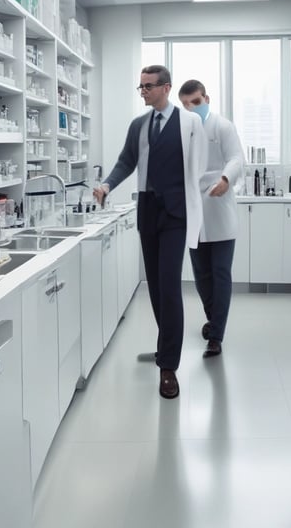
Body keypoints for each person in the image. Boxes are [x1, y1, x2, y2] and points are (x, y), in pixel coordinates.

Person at [93, 65, 207, 399]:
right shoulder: (139, 125)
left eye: (147, 86)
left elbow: (197, 168)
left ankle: (168, 367)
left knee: (170, 286)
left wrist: (189, 200)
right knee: (155, 288)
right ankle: (165, 345)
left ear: (166, 88)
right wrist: (106, 185)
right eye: (140, 87)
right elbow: (126, 161)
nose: (142, 91)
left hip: (176, 212)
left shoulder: (190, 124)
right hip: (148, 210)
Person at [178, 79, 245, 357]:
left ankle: (216, 334)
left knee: (220, 274)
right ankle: (213, 319)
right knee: (202, 277)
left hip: (219, 208)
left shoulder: (223, 126)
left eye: (195, 102)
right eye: (185, 104)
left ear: (207, 98)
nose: (191, 108)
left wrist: (226, 179)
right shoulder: (183, 130)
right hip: (194, 213)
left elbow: (237, 158)